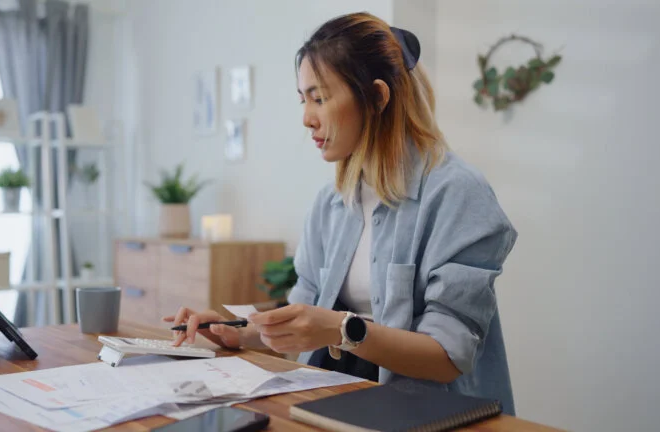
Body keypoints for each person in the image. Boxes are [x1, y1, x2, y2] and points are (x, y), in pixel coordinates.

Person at [164, 11, 518, 415]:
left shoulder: (458, 194)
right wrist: (240, 332)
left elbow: (446, 357)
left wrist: (340, 328)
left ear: (378, 98)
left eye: (320, 98)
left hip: (431, 412)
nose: (306, 117)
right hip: (333, 397)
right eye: (303, 99)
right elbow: (304, 310)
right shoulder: (331, 202)